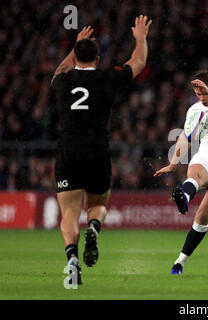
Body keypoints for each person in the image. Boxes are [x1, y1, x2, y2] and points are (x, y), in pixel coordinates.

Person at [51, 16, 152, 285]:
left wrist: (75, 46)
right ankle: (93, 228)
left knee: (69, 213)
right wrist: (140, 37)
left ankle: (72, 260)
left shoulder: (62, 81)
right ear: (98, 59)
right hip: (97, 150)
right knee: (97, 204)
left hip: (68, 150)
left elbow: (59, 70)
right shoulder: (106, 77)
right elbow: (138, 63)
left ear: (75, 57)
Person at [154, 70, 208, 275]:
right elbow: (186, 137)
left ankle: (180, 261)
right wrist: (173, 163)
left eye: (205, 94)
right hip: (207, 155)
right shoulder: (195, 110)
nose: (202, 98)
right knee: (194, 174)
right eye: (198, 94)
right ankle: (184, 195)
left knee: (203, 217)